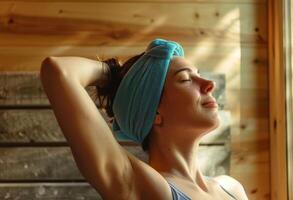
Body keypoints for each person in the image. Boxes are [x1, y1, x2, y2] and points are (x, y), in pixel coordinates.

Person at [40, 38, 249, 200]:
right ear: (154, 113)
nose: (208, 84)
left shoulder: (231, 189)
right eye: (185, 79)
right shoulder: (142, 187)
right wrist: (114, 73)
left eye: (199, 74)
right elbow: (58, 70)